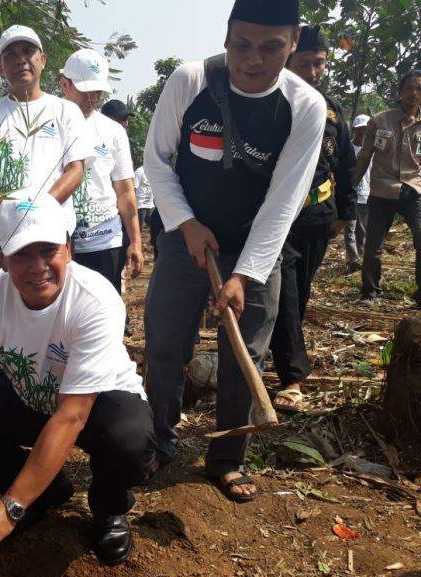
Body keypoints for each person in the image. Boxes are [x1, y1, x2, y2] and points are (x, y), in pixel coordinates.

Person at [143, 0, 326, 502]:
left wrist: (243, 274)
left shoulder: (305, 107)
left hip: (257, 244)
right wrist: (186, 224)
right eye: (243, 44)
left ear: (292, 44)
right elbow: (156, 162)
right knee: (164, 343)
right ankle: (157, 441)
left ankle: (227, 457)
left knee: (248, 350)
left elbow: (285, 200)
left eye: (271, 47)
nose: (254, 59)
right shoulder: (190, 80)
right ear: (226, 38)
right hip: (186, 240)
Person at [0, 194, 155, 565]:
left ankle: (107, 507)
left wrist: (10, 508)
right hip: (31, 397)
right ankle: (47, 492)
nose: (38, 267)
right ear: (2, 255)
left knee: (128, 440)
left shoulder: (94, 300)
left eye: (48, 250)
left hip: (97, 404)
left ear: (68, 248)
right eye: (22, 253)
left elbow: (73, 415)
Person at [269, 25, 357, 411]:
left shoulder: (332, 108)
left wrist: (345, 212)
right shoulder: (271, 103)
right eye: (305, 64)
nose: (313, 72)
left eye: (319, 64)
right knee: (284, 294)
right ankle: (292, 378)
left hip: (318, 216)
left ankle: (282, 354)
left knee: (298, 295)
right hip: (275, 219)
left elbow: (346, 162)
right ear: (288, 61)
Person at [0, 24, 92, 277]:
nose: (20, 60)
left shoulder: (65, 110)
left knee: (53, 301)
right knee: (2, 302)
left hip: (53, 232)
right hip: (0, 233)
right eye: (10, 55)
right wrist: (7, 211)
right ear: (1, 67)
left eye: (28, 51)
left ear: (42, 59)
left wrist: (38, 211)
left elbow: (75, 171)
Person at [60, 49, 144, 292]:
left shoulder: (112, 131)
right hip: (59, 243)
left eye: (97, 91)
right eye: (85, 90)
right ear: (65, 84)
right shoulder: (49, 123)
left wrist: (136, 242)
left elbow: (126, 191)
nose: (91, 98)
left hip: (105, 241)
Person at [355, 70, 421, 308]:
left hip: (414, 191)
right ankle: (370, 292)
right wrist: (351, 187)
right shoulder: (380, 121)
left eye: (419, 89)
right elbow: (364, 156)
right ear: (400, 92)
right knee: (373, 246)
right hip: (382, 191)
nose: (414, 94)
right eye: (409, 88)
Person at [342, 114, 372, 271]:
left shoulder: (373, 149)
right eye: (360, 129)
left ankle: (362, 258)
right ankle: (354, 261)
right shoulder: (348, 149)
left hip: (367, 194)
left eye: (366, 129)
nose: (363, 132)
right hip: (351, 195)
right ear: (354, 130)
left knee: (363, 231)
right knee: (350, 230)